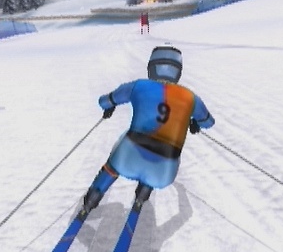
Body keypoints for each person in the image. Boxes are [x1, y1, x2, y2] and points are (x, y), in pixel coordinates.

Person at [77, 45, 215, 220]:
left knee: (121, 149)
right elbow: (209, 122)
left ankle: (90, 201)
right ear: (178, 71)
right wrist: (195, 123)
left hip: (128, 160)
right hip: (164, 173)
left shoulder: (139, 86)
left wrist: (110, 107)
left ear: (151, 66)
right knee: (162, 149)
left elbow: (104, 101)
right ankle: (141, 197)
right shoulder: (191, 98)